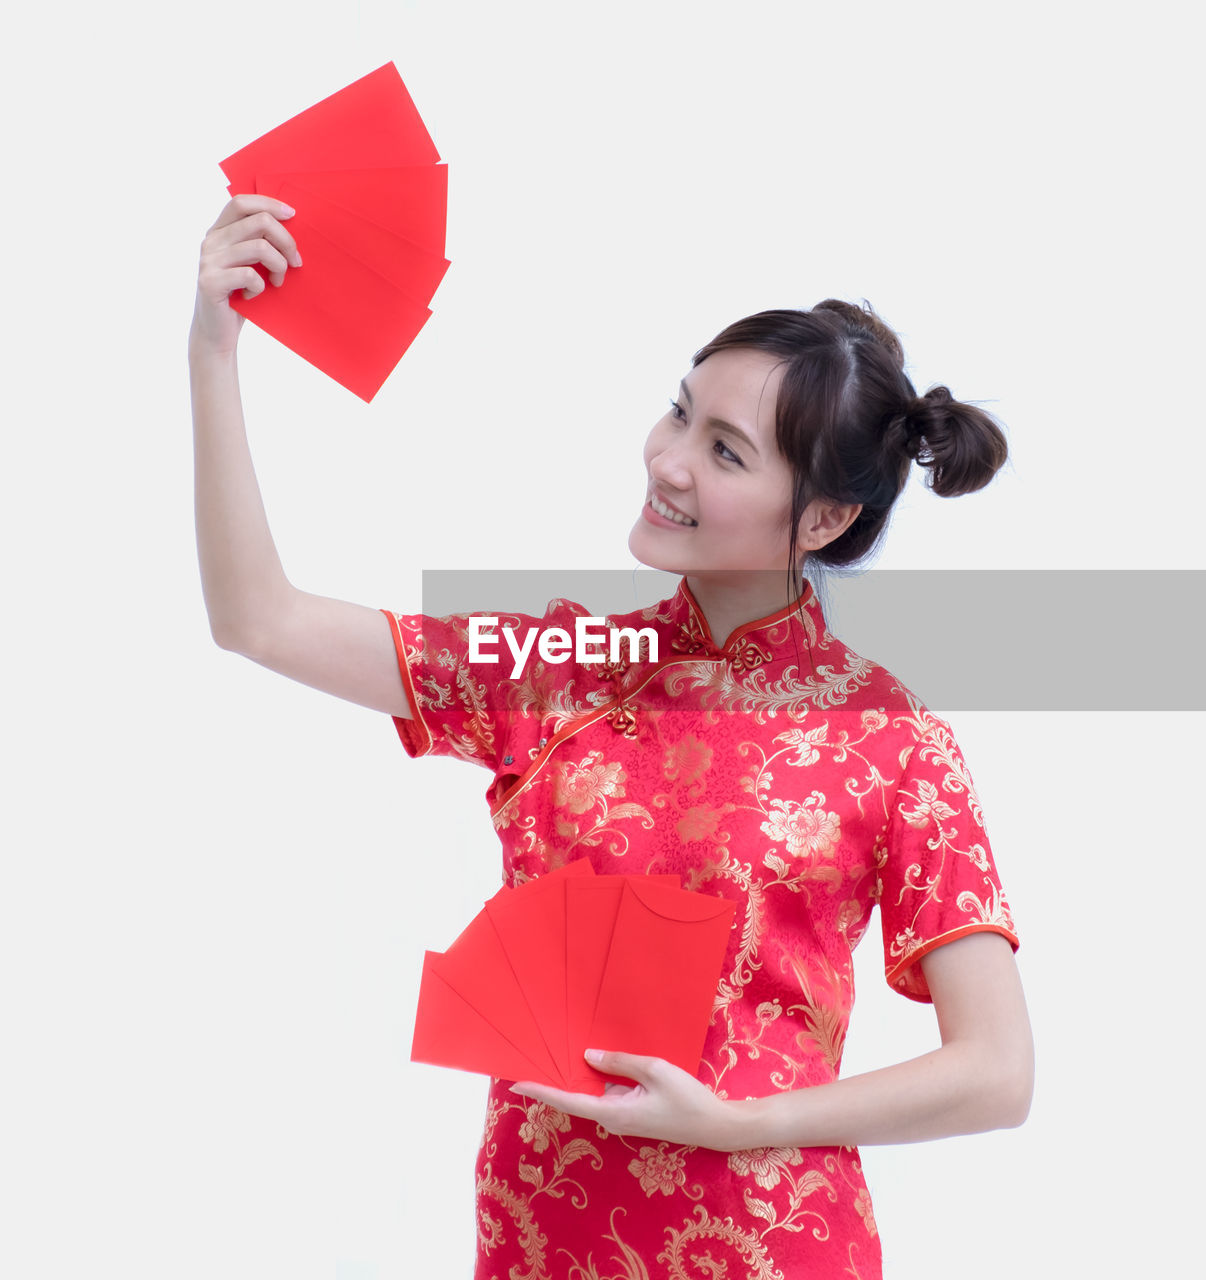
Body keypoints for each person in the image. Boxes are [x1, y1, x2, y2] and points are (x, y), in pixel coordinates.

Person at [191, 193, 1034, 1279]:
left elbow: (997, 1070)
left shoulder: (891, 738)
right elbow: (259, 618)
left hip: (774, 1244)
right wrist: (215, 349)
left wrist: (739, 1121)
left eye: (726, 451)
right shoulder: (550, 666)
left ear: (820, 518)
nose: (670, 460)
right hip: (547, 1240)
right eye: (680, 412)